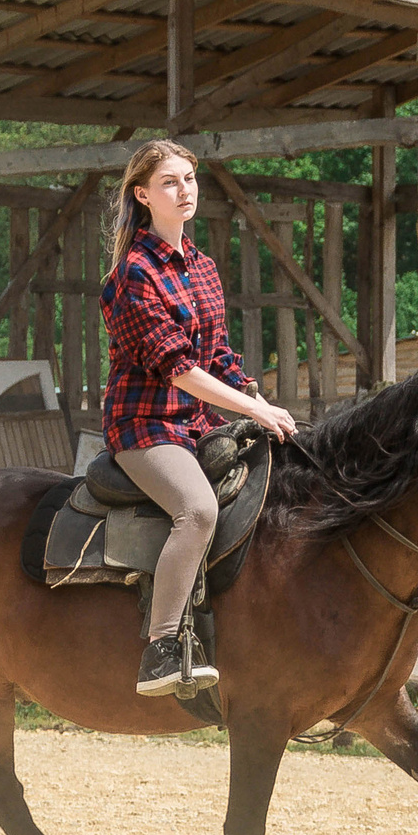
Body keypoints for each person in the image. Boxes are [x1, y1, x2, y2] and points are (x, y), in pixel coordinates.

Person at [99, 140, 297, 698]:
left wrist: (259, 400)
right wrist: (252, 408)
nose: (184, 190)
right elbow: (178, 368)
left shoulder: (203, 266)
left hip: (196, 426)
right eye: (169, 182)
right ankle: (161, 646)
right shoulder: (131, 275)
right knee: (197, 509)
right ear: (142, 195)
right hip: (145, 427)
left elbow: (218, 359)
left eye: (189, 179)